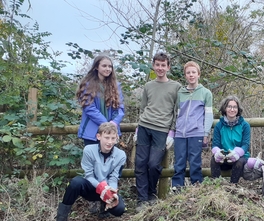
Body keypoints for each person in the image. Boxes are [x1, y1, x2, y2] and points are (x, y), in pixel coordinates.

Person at [50, 122, 126, 221]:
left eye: (113, 138)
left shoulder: (121, 155)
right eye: (106, 138)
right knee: (75, 182)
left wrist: (112, 193)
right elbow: (89, 176)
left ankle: (104, 205)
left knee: (119, 210)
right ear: (99, 137)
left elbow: (114, 177)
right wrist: (102, 188)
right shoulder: (89, 150)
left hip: (107, 190)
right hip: (92, 187)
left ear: (117, 138)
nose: (109, 142)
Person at [135, 52, 182, 211]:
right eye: (157, 65)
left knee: (154, 164)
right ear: (153, 66)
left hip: (161, 130)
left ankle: (151, 193)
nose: (160, 68)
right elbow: (143, 108)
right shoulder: (148, 86)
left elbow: (177, 111)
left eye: (163, 65)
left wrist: (172, 133)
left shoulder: (176, 87)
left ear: (168, 67)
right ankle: (142, 200)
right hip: (144, 126)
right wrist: (137, 128)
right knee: (140, 164)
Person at [171, 61, 213, 190]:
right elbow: (176, 113)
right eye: (188, 73)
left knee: (195, 163)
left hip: (196, 132)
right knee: (179, 162)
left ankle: (196, 189)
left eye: (193, 72)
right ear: (185, 76)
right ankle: (177, 189)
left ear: (198, 74)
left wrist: (206, 133)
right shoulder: (180, 93)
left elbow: (209, 115)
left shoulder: (206, 93)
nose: (191, 75)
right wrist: (173, 131)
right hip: (180, 133)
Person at [76, 54, 125, 146]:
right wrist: (106, 124)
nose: (108, 69)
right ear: (96, 67)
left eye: (110, 66)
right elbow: (89, 108)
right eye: (104, 66)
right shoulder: (88, 85)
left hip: (111, 133)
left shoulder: (116, 86)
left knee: (110, 160)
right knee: (93, 159)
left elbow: (120, 108)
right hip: (93, 132)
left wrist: (114, 122)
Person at [210, 96, 250, 184]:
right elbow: (215, 144)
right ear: (225, 108)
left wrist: (237, 153)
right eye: (229, 106)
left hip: (240, 158)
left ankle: (233, 186)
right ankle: (215, 186)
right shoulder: (219, 125)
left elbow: (245, 145)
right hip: (224, 157)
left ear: (238, 109)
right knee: (213, 159)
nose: (232, 110)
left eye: (235, 107)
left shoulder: (245, 125)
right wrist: (217, 153)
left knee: (239, 161)